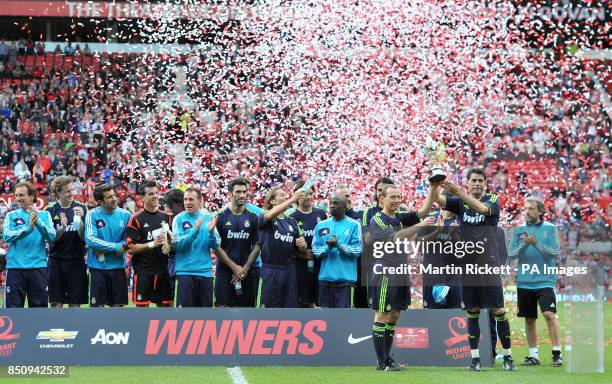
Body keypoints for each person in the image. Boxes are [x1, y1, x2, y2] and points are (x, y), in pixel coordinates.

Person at [435, 168, 517, 372]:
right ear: (468, 183)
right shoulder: (460, 202)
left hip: (488, 265)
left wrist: (460, 193)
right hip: (468, 266)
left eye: (481, 180)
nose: (477, 183)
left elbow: (481, 209)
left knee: (498, 310)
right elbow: (439, 200)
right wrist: (435, 181)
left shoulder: (493, 200)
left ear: (485, 183)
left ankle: (508, 357)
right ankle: (475, 360)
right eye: (474, 180)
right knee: (472, 312)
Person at [369, 184, 436, 371]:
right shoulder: (378, 220)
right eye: (393, 197)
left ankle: (387, 358)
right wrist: (420, 225)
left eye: (399, 197)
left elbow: (423, 211)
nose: (397, 200)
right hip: (385, 273)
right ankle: (381, 362)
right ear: (382, 199)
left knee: (395, 314)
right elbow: (397, 237)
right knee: (382, 314)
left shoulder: (398, 217)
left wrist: (433, 188)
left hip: (400, 271)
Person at [508, 197, 562, 367]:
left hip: (545, 280)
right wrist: (524, 245)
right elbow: (511, 254)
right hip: (524, 281)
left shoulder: (551, 229)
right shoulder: (519, 230)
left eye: (531, 208)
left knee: (549, 315)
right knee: (529, 319)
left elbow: (554, 252)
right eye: (525, 209)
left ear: (540, 211)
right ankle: (533, 355)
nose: (527, 211)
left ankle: (556, 353)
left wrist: (536, 244)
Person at [2, 182, 56, 307]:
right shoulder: (11, 215)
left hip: (38, 268)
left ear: (32, 196)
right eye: (16, 195)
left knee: (39, 311)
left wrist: (38, 223)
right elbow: (6, 236)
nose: (17, 198)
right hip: (15, 269)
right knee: (12, 311)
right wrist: (27, 229)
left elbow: (52, 236)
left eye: (21, 195)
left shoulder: (44, 215)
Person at [172, 187, 223, 307]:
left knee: (204, 317)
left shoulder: (209, 218)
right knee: (185, 318)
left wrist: (211, 233)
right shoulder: (178, 219)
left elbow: (217, 245)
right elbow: (178, 245)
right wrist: (194, 231)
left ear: (200, 201)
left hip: (205, 273)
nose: (187, 202)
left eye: (191, 199)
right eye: (185, 199)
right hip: (185, 273)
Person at [125, 180, 173, 307]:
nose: (155, 196)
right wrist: (152, 244)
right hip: (143, 272)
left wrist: (169, 245)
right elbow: (130, 248)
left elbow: (171, 242)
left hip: (163, 270)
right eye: (151, 193)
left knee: (166, 308)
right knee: (142, 312)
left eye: (156, 193)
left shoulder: (166, 217)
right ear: (142, 198)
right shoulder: (135, 219)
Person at [215, 177, 261, 307]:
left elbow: (258, 245)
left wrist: (245, 268)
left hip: (247, 271)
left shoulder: (253, 217)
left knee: (246, 312)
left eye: (244, 192)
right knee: (222, 309)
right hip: (224, 271)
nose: (242, 195)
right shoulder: (220, 216)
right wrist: (234, 267)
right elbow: (216, 246)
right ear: (230, 194)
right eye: (238, 192)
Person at [258, 187, 307, 308]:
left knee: (289, 308)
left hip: (289, 270)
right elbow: (269, 214)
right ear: (272, 201)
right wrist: (292, 199)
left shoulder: (292, 222)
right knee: (269, 310)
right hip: (270, 269)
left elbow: (302, 249)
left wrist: (302, 245)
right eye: (281, 195)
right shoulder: (266, 216)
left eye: (286, 194)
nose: (285, 196)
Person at [85, 184, 131, 307]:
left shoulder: (126, 215)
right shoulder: (92, 214)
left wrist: (105, 248)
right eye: (109, 197)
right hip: (98, 268)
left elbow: (130, 240)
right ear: (100, 201)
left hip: (118, 268)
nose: (114, 199)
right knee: (97, 310)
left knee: (117, 310)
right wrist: (115, 247)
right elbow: (90, 240)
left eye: (114, 195)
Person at [312, 193, 361, 308]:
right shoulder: (321, 226)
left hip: (345, 281)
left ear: (345, 205)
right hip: (325, 279)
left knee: (341, 319)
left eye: (336, 203)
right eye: (331, 203)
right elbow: (316, 250)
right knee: (325, 319)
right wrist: (327, 247)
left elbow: (357, 250)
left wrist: (339, 245)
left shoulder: (354, 225)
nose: (332, 206)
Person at [45, 176, 88, 307]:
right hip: (56, 262)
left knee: (75, 305)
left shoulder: (82, 208)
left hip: (76, 262)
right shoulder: (49, 211)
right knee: (56, 304)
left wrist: (80, 221)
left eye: (72, 190)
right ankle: (57, 328)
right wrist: (61, 228)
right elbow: (51, 239)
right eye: (67, 191)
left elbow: (84, 238)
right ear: (58, 192)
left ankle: (74, 328)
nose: (72, 193)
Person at [286, 180, 328, 307]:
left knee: (316, 300)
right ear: (297, 197)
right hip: (298, 265)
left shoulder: (320, 213)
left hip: (318, 263)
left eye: (311, 193)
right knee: (300, 300)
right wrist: (300, 254)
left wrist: (318, 251)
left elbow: (325, 237)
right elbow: (284, 243)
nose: (309, 197)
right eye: (305, 194)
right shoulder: (290, 216)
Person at [334, 185, 367, 308]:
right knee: (341, 303)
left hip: (362, 266)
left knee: (362, 303)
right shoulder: (331, 219)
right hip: (341, 266)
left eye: (347, 196)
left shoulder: (363, 215)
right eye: (341, 196)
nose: (345, 199)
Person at [163, 188, 184, 301]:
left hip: (187, 261)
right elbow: (166, 245)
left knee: (185, 298)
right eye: (168, 205)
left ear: (181, 203)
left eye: (171, 205)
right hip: (171, 261)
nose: (170, 209)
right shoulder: (168, 219)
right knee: (167, 299)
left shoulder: (191, 219)